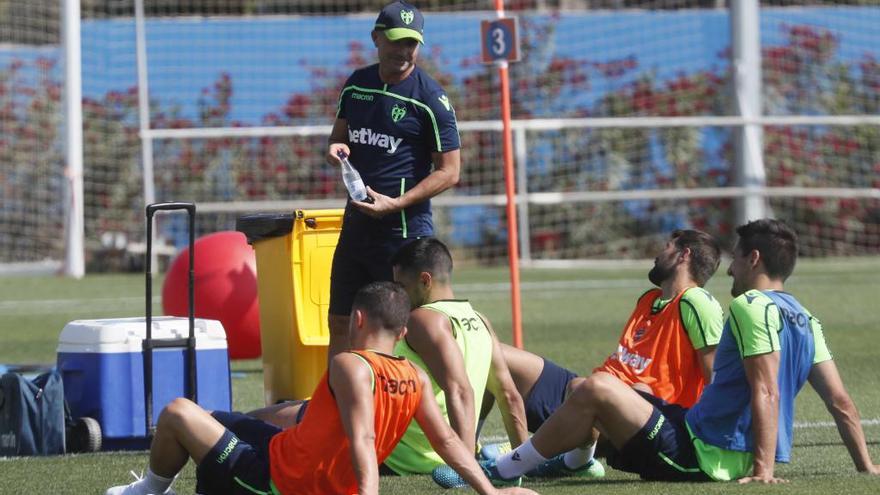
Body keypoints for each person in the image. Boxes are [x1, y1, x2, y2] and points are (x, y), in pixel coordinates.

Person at [483, 219, 880, 484]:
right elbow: (841, 401)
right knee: (604, 387)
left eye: (738, 258)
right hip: (697, 434)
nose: (729, 270)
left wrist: (763, 469)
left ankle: (504, 470)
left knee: (596, 388)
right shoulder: (805, 317)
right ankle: (562, 461)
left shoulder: (750, 305)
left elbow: (765, 389)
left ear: (754, 259)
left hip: (705, 455)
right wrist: (865, 466)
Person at [105, 282, 536, 495]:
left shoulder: (350, 364)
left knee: (178, 412)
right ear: (403, 330)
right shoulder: (415, 375)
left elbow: (363, 438)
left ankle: (148, 491)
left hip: (276, 482)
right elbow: (447, 441)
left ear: (358, 320)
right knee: (221, 420)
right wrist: (491, 492)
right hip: (291, 459)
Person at [477, 229, 724, 473]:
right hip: (590, 393)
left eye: (668, 246)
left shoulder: (697, 302)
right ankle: (469, 451)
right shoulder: (649, 299)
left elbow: (716, 378)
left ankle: (540, 459)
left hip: (633, 416)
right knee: (489, 352)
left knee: (613, 388)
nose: (658, 253)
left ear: (684, 255)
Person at [326, 0, 461, 361]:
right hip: (356, 226)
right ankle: (335, 405)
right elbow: (339, 135)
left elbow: (450, 170)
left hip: (404, 233)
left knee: (409, 328)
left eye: (411, 43)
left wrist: (397, 203)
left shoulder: (431, 100)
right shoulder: (356, 85)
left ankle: (416, 405)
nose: (403, 51)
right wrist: (337, 148)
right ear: (376, 38)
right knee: (341, 322)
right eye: (396, 41)